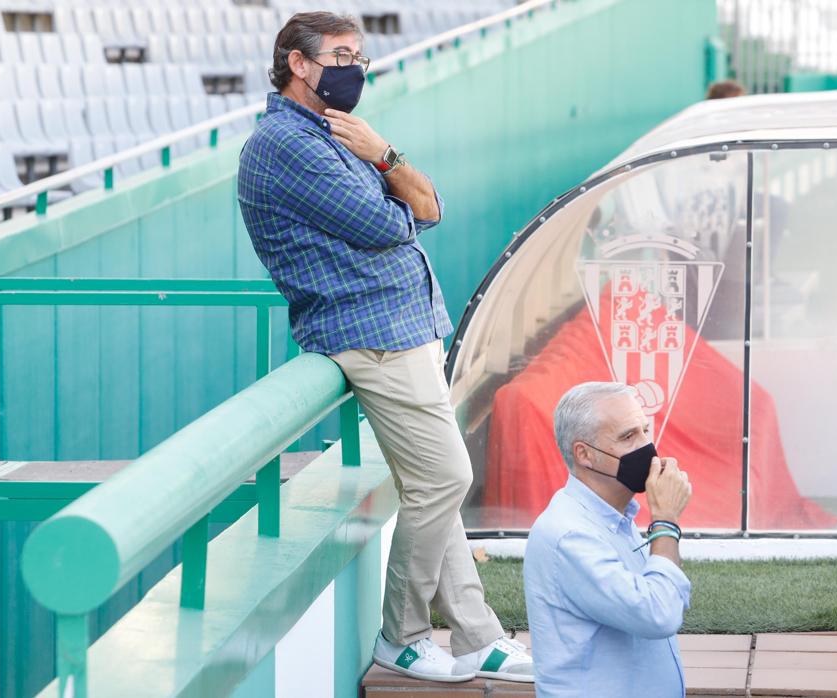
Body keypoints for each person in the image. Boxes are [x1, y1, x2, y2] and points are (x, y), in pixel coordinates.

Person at [235, 11, 532, 684]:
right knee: (445, 479)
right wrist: (386, 160)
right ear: (297, 64)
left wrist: (386, 165)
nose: (355, 69)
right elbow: (387, 223)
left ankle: (478, 635)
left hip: (399, 329)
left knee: (433, 485)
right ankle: (400, 637)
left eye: (360, 57)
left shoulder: (331, 132)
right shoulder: (285, 143)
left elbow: (428, 209)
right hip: (370, 335)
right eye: (340, 55)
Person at [524, 382, 694, 697]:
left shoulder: (613, 517)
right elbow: (659, 614)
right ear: (584, 454)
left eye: (645, 430)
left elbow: (665, 594)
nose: (648, 448)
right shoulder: (570, 536)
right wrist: (666, 522)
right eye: (628, 437)